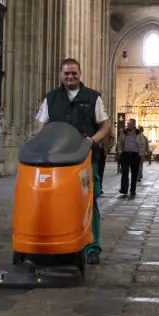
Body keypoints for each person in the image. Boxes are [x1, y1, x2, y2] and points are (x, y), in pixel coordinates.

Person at [36, 58, 110, 265]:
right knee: (58, 200)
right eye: (67, 73)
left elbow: (105, 126)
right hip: (57, 161)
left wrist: (92, 140)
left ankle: (92, 246)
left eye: (74, 73)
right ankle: (62, 242)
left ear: (80, 74)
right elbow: (41, 125)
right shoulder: (51, 98)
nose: (70, 76)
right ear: (61, 75)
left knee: (89, 201)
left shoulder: (93, 97)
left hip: (86, 158)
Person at [116, 118, 143, 197]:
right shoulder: (124, 133)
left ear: (134, 125)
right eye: (128, 124)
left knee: (134, 173)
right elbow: (119, 143)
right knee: (125, 172)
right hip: (125, 154)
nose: (128, 125)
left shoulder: (139, 133)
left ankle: (133, 189)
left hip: (135, 155)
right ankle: (124, 189)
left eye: (130, 124)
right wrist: (120, 151)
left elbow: (142, 144)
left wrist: (141, 154)